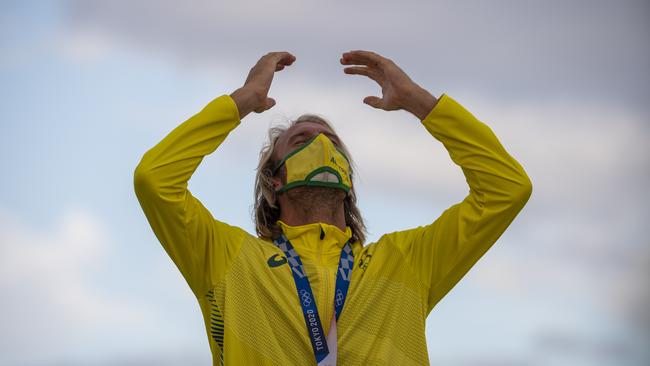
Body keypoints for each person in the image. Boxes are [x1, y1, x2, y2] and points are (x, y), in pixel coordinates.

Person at [133, 50, 533, 366]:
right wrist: (242, 101)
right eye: (302, 140)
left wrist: (420, 102)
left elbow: (507, 188)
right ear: (275, 181)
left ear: (346, 179)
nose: (322, 146)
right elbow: (156, 180)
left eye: (333, 144)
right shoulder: (228, 258)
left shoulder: (405, 261)